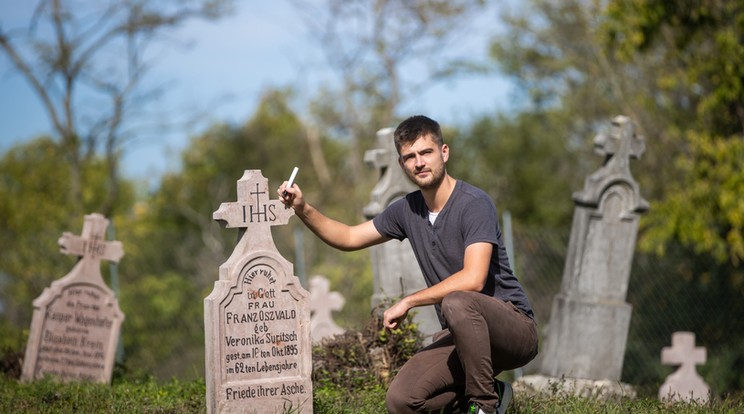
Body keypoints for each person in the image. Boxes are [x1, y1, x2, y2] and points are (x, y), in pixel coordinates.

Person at [278, 115, 538, 414]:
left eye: (426, 152)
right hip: (462, 335)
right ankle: (494, 392)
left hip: (513, 329)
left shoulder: (474, 203)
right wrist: (303, 208)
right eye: (409, 157)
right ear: (402, 165)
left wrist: (409, 301)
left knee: (457, 301)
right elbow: (349, 236)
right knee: (402, 401)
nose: (419, 162)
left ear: (444, 152)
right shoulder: (406, 210)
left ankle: (485, 406)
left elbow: (474, 279)